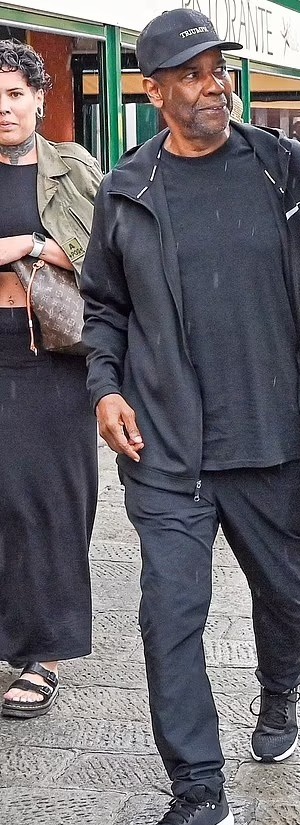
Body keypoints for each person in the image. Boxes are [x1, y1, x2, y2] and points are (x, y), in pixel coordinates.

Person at [80, 7, 300, 825]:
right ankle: (198, 793)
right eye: (195, 72)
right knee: (167, 616)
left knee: (284, 599)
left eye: (221, 69)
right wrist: (105, 389)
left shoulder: (287, 170)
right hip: (166, 449)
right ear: (155, 89)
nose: (217, 84)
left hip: (273, 443)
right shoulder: (126, 188)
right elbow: (105, 306)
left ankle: (279, 693)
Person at [0, 40, 100, 719]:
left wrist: (30, 245)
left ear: (40, 98)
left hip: (48, 353)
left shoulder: (73, 168)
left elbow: (108, 252)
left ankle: (46, 652)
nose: (3, 107)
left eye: (14, 94)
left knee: (50, 502)